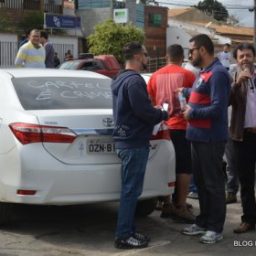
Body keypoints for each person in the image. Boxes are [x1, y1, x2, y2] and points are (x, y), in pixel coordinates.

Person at [111, 41, 168, 249]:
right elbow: (143, 112)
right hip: (134, 142)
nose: (147, 58)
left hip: (126, 140)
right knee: (130, 191)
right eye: (145, 54)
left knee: (130, 190)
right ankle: (124, 235)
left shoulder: (120, 78)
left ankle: (128, 231)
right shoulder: (134, 81)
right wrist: (162, 113)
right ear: (137, 57)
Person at [181, 34, 231, 244]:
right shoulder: (205, 72)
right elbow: (200, 94)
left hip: (211, 138)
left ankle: (215, 228)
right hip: (196, 136)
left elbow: (219, 108)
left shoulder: (219, 73)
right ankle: (202, 222)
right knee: (201, 183)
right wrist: (184, 91)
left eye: (191, 50)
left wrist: (192, 114)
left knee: (213, 184)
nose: (189, 54)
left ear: (202, 50)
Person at [147, 44, 196, 223]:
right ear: (182, 57)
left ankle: (166, 203)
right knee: (184, 167)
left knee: (165, 166)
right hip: (182, 127)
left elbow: (152, 102)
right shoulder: (188, 75)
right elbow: (194, 99)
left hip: (161, 127)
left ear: (166, 57)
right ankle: (181, 205)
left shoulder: (154, 76)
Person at [230, 43, 256, 233]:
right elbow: (225, 101)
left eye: (248, 55)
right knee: (246, 181)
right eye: (241, 56)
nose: (245, 59)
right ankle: (248, 219)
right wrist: (237, 82)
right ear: (236, 60)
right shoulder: (233, 77)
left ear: (254, 57)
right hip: (243, 136)